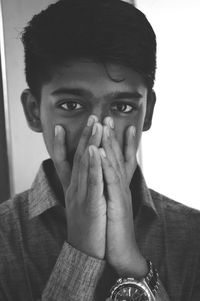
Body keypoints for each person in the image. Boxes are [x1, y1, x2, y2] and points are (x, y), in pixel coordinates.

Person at [0, 0, 200, 300]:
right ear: (33, 111)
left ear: (147, 114)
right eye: (71, 105)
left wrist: (133, 264)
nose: (98, 130)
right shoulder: (5, 239)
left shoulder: (193, 236)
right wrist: (81, 252)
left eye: (122, 107)